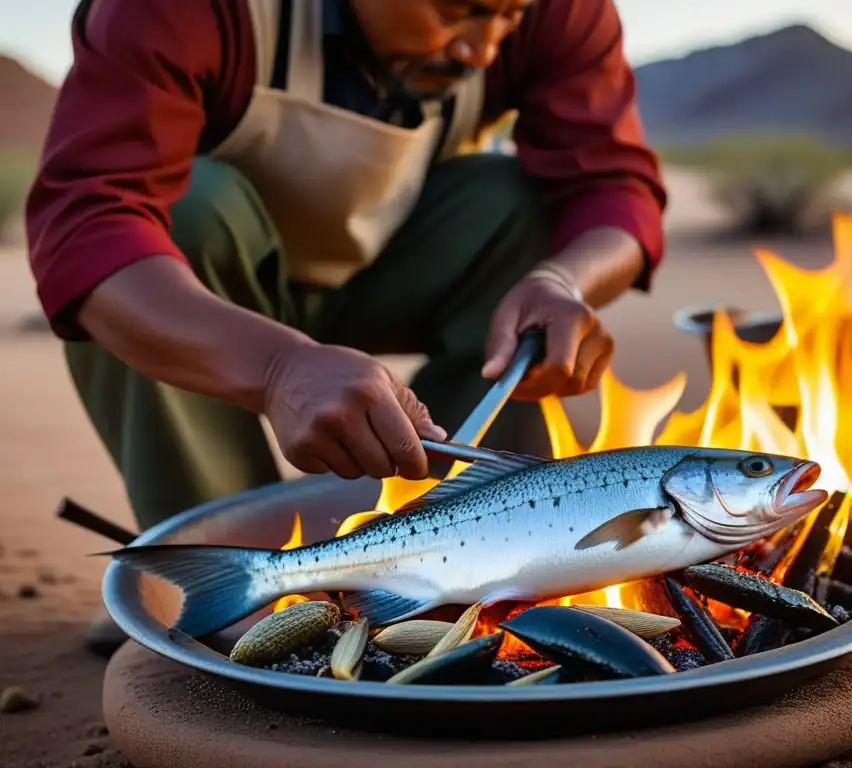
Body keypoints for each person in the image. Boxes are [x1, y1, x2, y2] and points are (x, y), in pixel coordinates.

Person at [25, 0, 667, 656]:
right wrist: (277, 369)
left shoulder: (553, 10)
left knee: (522, 206)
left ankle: (461, 587)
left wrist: (564, 282)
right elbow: (90, 225)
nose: (482, 50)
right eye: (459, 11)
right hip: (213, 298)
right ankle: (225, 599)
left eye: (506, 17)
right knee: (181, 216)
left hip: (395, 264)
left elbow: (613, 186)